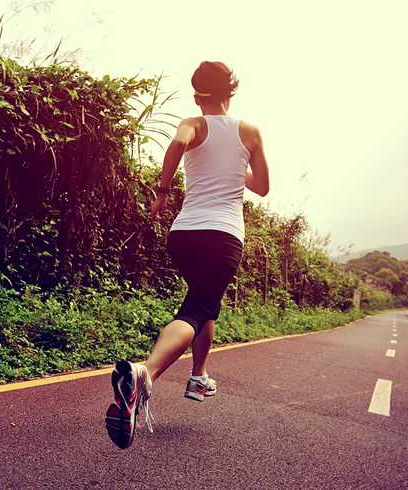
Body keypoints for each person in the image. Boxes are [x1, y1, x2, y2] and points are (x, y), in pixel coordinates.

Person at [105, 61, 270, 449]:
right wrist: (238, 165)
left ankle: (198, 375)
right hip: (224, 236)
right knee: (196, 309)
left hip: (184, 235)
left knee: (204, 300)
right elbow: (261, 187)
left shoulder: (193, 124)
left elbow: (178, 143)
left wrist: (163, 191)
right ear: (232, 92)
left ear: (197, 96)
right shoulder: (249, 131)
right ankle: (145, 374)